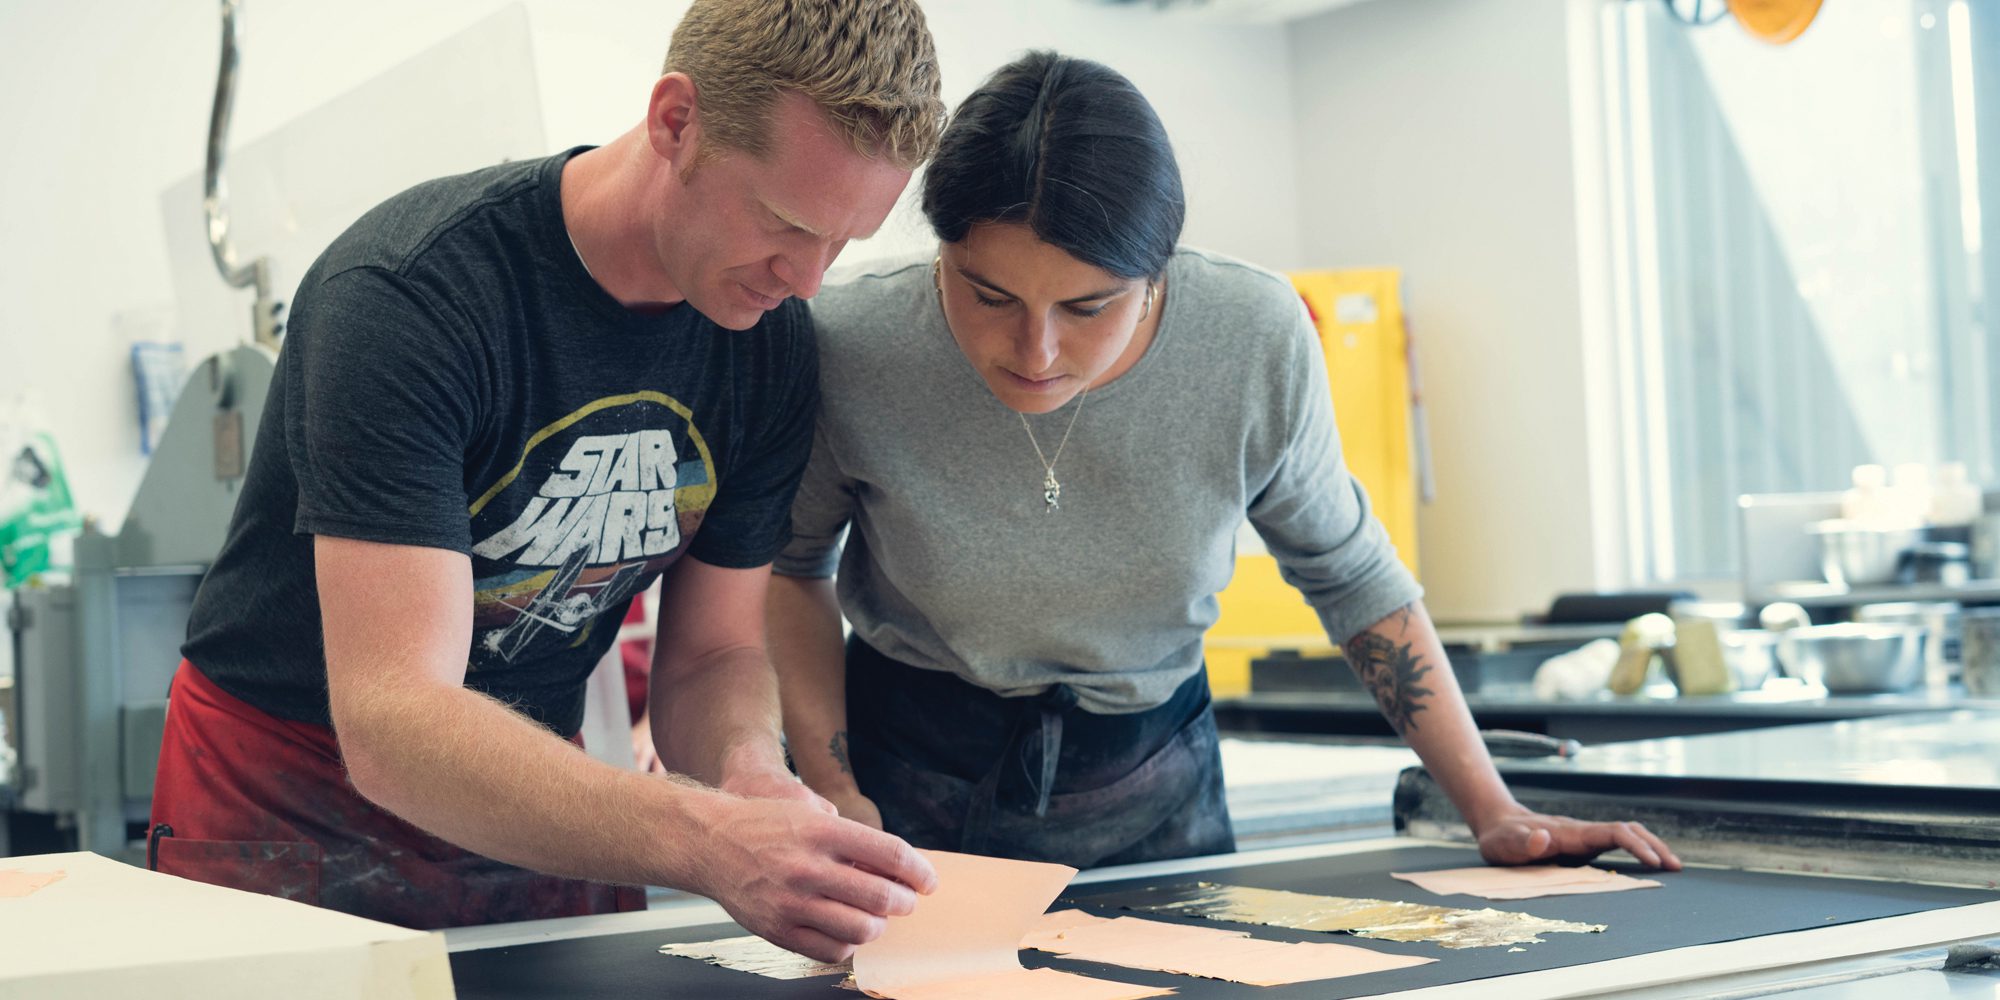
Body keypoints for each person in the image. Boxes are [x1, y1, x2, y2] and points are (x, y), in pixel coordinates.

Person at [150, 0, 946, 960]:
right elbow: (395, 721)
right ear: (675, 121)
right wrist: (704, 837)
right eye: (785, 221)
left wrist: (750, 778)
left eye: (845, 241)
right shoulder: (411, 298)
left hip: (536, 798)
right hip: (292, 801)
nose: (810, 278)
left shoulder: (766, 345)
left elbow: (710, 658)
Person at [768, 51, 1682, 873]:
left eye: (1089, 307)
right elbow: (790, 566)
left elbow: (1353, 574)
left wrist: (1492, 810)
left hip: (1156, 778)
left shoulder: (1251, 338)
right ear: (940, 250)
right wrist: (835, 789)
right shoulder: (850, 339)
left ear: (1158, 270)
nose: (1035, 350)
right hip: (908, 780)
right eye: (988, 295)